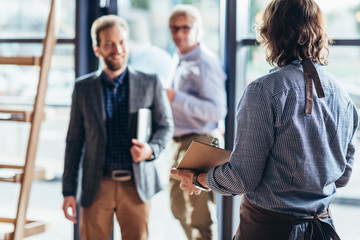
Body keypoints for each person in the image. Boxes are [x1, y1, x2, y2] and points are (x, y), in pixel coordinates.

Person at [171, 0, 359, 239]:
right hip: (321, 229)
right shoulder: (342, 95)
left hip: (270, 230)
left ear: (271, 34)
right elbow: (342, 175)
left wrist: (198, 178)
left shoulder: (264, 90)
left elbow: (242, 178)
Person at [62, 15, 174, 240]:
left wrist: (150, 150)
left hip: (136, 185)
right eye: (109, 44)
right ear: (97, 49)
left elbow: (165, 127)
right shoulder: (83, 88)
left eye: (122, 42)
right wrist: (68, 191)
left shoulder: (150, 82)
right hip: (96, 184)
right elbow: (74, 141)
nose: (117, 49)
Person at [166, 4, 227, 240]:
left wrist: (176, 98)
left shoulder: (205, 62)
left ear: (197, 30)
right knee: (178, 208)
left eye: (185, 27)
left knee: (198, 216)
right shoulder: (179, 58)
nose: (179, 33)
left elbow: (217, 111)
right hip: (180, 141)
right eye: (174, 28)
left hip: (198, 142)